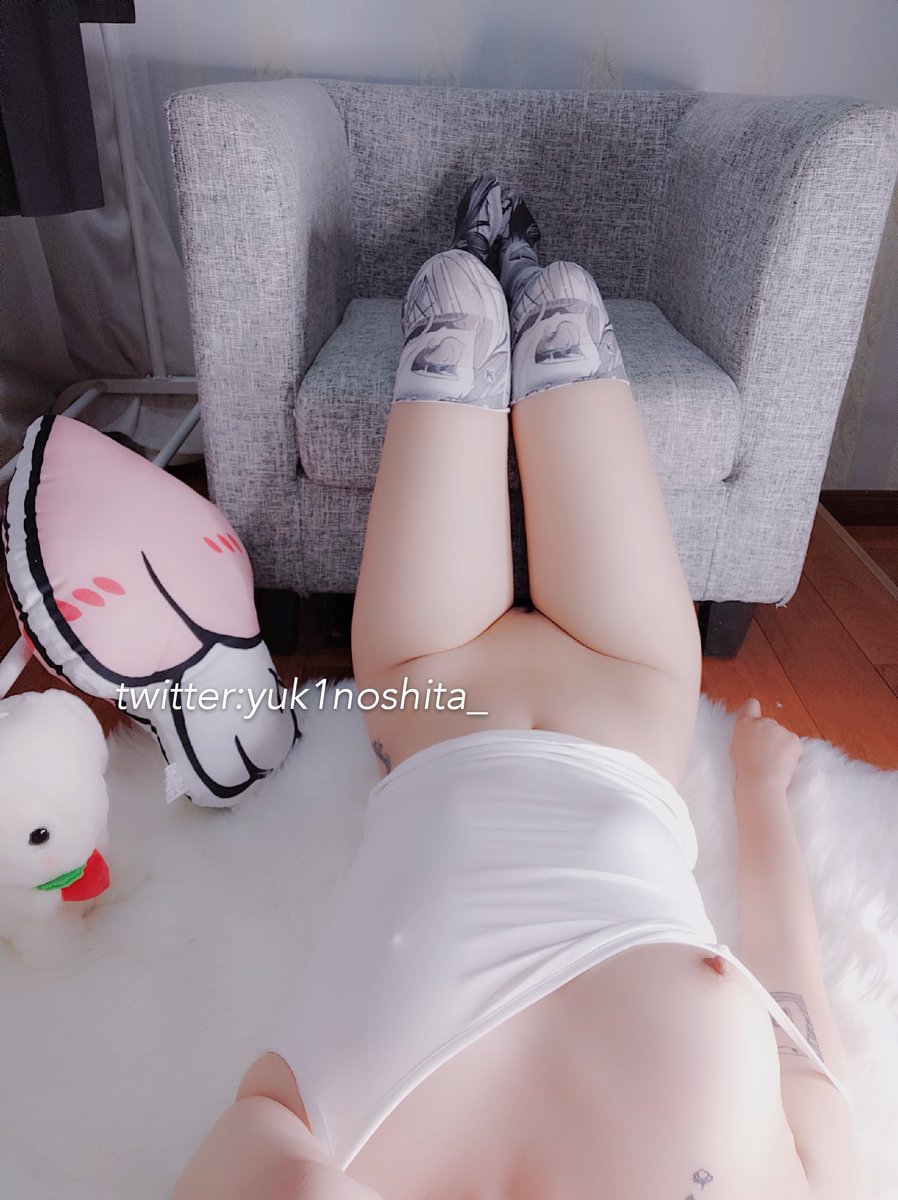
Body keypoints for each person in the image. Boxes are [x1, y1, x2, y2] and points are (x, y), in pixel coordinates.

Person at [172, 175, 868, 1199]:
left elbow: (254, 1145)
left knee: (453, 311)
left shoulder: (347, 1163)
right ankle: (525, 264)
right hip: (627, 699)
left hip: (435, 695)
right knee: (565, 317)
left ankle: (486, 260)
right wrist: (758, 793)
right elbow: (806, 1053)